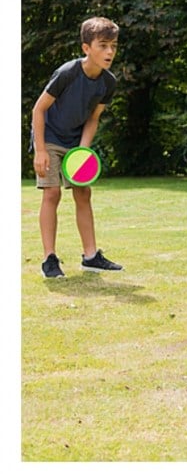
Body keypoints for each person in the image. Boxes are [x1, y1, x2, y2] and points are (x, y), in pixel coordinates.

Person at [31, 17, 123, 278]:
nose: (109, 52)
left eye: (113, 46)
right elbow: (38, 109)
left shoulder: (108, 82)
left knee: (83, 194)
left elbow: (93, 119)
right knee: (52, 194)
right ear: (86, 48)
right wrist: (40, 150)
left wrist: (82, 152)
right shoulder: (68, 73)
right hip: (49, 137)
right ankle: (49, 259)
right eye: (103, 45)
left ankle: (91, 256)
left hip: (75, 142)